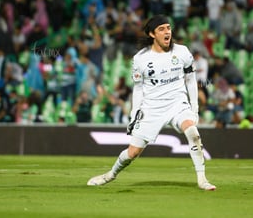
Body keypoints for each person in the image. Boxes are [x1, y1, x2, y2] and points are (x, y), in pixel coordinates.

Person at [87, 15, 216, 191]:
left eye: (168, 28)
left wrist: (194, 109)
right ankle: (111, 174)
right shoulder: (140, 58)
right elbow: (138, 89)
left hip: (177, 103)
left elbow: (191, 80)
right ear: (152, 34)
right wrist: (134, 114)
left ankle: (202, 179)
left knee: (193, 133)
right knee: (133, 153)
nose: (167, 32)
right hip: (152, 108)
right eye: (162, 29)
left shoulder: (182, 52)